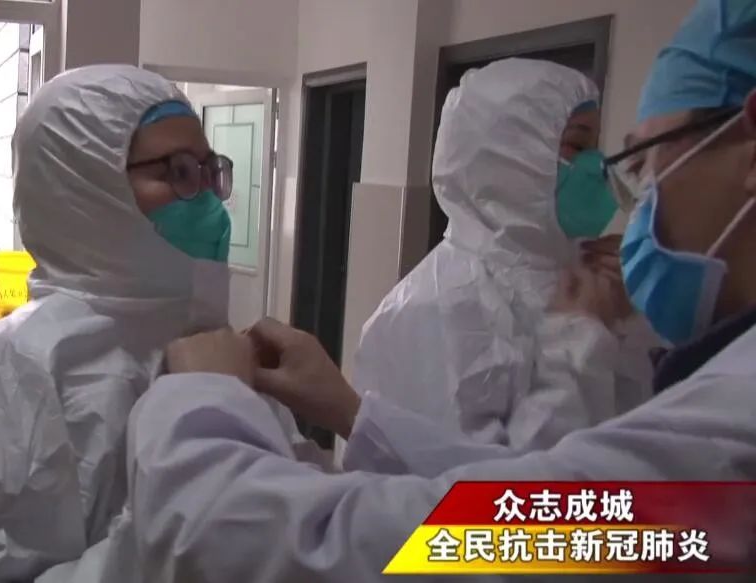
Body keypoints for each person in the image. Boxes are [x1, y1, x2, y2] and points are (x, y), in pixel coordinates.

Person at [123, 1, 756, 581]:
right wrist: (352, 412)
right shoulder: (438, 303)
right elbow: (512, 506)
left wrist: (202, 399)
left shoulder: (725, 438)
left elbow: (498, 534)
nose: (636, 195)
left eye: (647, 161)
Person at [0, 64, 304, 582]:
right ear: (83, 187)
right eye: (180, 172)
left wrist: (356, 421)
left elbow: (333, 542)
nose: (210, 202)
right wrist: (176, 535)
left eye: (209, 172)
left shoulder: (231, 363)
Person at [353, 58, 652, 454]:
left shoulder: (576, 277)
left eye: (595, 147)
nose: (597, 166)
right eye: (578, 146)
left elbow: (627, 434)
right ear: (511, 156)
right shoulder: (434, 307)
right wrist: (579, 345)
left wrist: (626, 321)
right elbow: (469, 483)